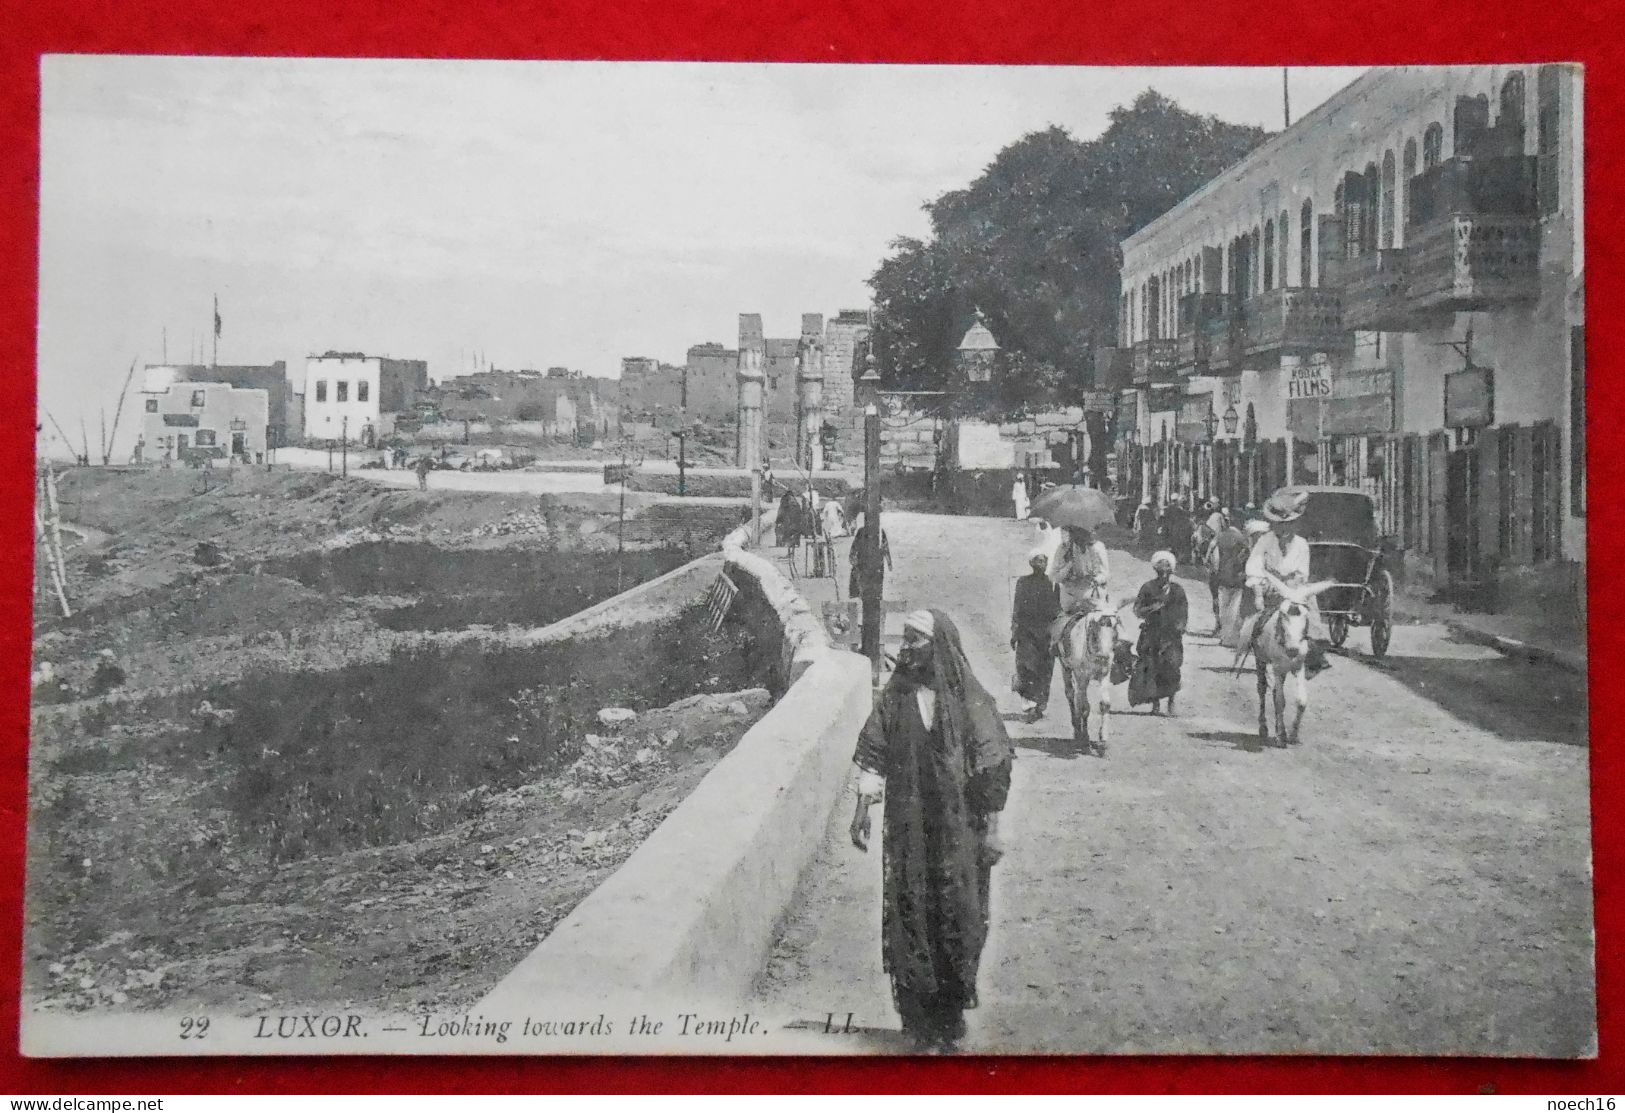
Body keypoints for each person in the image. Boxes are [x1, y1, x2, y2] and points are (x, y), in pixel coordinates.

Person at [850, 609, 1014, 1051]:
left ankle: (951, 1013)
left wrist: (992, 831)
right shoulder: (895, 695)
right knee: (910, 910)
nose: (906, 648)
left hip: (959, 828)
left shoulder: (968, 700)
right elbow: (875, 752)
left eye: (915, 640)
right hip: (908, 828)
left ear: (937, 645)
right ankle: (919, 1021)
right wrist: (864, 806)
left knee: (958, 913)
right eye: (903, 639)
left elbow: (993, 767)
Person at [1244, 488, 1331, 675]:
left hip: (1294, 588)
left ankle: (1315, 654)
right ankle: (1253, 646)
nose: (1284, 529)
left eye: (1289, 525)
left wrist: (1294, 588)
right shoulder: (1265, 541)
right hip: (1270, 587)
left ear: (1295, 524)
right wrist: (1259, 593)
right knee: (1255, 620)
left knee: (1310, 612)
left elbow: (1302, 573)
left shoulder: (1301, 544)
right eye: (1279, 525)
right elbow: (1254, 566)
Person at [1130, 551, 1188, 715]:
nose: (1164, 572)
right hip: (1152, 634)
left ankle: (1171, 701)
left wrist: (1180, 627)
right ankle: (1155, 704)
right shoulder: (1148, 588)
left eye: (1167, 568)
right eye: (1160, 568)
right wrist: (1151, 609)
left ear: (1172, 571)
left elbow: (1184, 612)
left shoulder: (1178, 591)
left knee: (1172, 666)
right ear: (1155, 569)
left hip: (1172, 636)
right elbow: (1137, 610)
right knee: (1152, 667)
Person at [1010, 552, 1061, 721]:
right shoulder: (1022, 583)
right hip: (1026, 632)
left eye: (1044, 561)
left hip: (1046, 633)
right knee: (1026, 668)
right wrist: (1014, 632)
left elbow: (1058, 610)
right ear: (1031, 563)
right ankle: (1030, 705)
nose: (1042, 564)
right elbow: (1017, 609)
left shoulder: (1053, 583)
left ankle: (1040, 704)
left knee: (1045, 670)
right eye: (1038, 561)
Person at [1213, 518, 1259, 647]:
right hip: (1238, 581)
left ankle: (1228, 637)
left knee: (1227, 611)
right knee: (1234, 611)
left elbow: (1216, 561)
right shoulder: (1244, 545)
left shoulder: (1221, 538)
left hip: (1226, 580)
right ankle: (1232, 638)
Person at [1048, 524, 1110, 616]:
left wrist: (1095, 579)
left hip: (1093, 597)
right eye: (1074, 532)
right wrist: (1068, 565)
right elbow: (1054, 576)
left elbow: (1105, 575)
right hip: (1071, 597)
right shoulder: (1064, 549)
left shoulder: (1098, 547)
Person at [849, 512, 893, 600]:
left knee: (876, 586)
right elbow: (855, 546)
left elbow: (885, 547)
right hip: (864, 563)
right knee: (864, 585)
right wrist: (852, 557)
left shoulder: (880, 532)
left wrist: (889, 563)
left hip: (876, 564)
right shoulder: (861, 531)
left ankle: (876, 598)